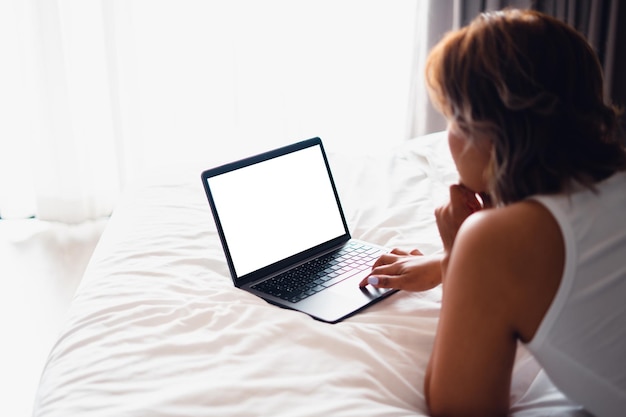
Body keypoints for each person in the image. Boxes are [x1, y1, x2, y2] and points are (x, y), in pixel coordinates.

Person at [359, 9, 626, 417]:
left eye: (452, 117)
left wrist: (457, 255)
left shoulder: (494, 241)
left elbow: (460, 408)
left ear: (490, 132)